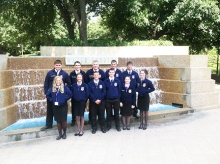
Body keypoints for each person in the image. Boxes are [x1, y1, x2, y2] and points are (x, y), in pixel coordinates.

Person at [41, 60, 71, 131]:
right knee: (50, 110)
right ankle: (48, 125)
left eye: (59, 65)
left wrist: (65, 94)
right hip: (52, 96)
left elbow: (69, 84)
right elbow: (46, 84)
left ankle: (62, 125)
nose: (58, 66)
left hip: (60, 97)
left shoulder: (65, 74)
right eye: (56, 65)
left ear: (61, 66)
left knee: (61, 111)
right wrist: (46, 93)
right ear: (54, 65)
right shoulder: (50, 73)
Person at [69, 61, 86, 126]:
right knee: (74, 108)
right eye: (76, 65)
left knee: (81, 109)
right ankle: (73, 120)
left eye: (78, 65)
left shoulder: (83, 73)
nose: (77, 66)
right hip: (74, 95)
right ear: (74, 66)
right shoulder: (71, 74)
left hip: (82, 95)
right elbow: (70, 83)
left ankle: (82, 121)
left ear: (80, 66)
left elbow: (85, 83)